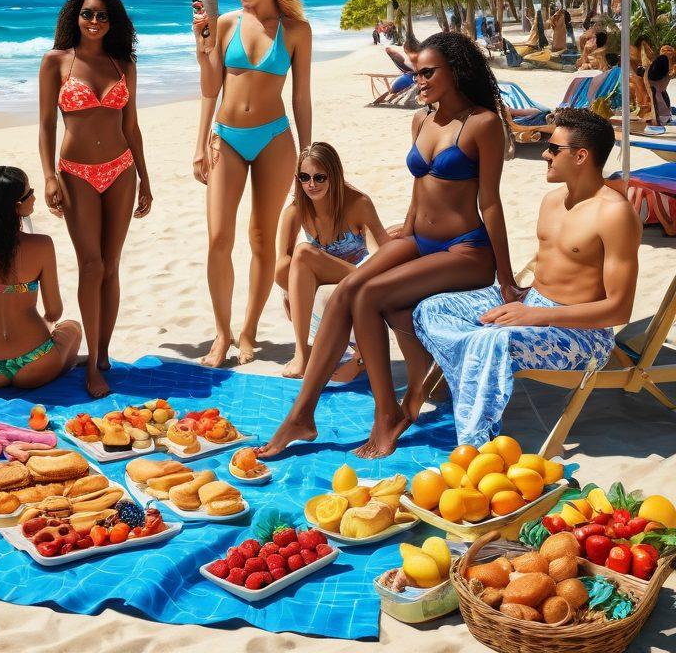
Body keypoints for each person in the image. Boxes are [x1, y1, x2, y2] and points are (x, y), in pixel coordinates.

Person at [258, 32, 517, 459]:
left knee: (369, 296)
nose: (419, 80)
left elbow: (490, 201)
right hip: (419, 239)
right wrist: (407, 229)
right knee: (346, 291)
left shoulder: (482, 124)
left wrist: (505, 279)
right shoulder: (421, 119)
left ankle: (386, 415)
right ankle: (302, 414)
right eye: (415, 73)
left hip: (465, 249)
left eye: (427, 72)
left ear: (456, 70)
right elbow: (419, 186)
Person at [413, 108, 641, 445]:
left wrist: (537, 316)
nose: (545, 154)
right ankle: (471, 377)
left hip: (582, 334)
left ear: (581, 156)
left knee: (492, 341)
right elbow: (553, 267)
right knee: (431, 308)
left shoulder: (614, 214)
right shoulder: (552, 201)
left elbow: (618, 310)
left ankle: (474, 448)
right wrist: (522, 300)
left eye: (553, 148)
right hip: (532, 302)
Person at [192, 0, 313, 367]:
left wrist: (308, 152)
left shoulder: (296, 30)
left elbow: (301, 96)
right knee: (217, 238)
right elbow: (211, 88)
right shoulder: (226, 24)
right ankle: (222, 334)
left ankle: (248, 331)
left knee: (262, 240)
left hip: (275, 140)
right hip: (225, 138)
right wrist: (201, 47)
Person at [38, 0, 151, 397]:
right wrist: (49, 176)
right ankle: (92, 366)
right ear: (75, 17)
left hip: (121, 170)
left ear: (112, 21)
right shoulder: (56, 63)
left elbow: (131, 126)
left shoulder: (123, 64)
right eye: (87, 14)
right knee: (92, 265)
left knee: (112, 264)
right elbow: (47, 125)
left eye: (102, 15)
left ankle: (102, 353)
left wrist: (145, 177)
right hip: (76, 173)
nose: (94, 21)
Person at [0, 167, 81, 401]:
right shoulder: (41, 245)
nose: (33, 196)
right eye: (28, 193)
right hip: (36, 364)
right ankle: (58, 367)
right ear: (16, 206)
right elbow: (54, 311)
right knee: (72, 327)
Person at [275, 143, 391, 378]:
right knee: (296, 262)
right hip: (325, 276)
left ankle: (303, 355)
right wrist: (290, 291)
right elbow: (280, 267)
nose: (311, 185)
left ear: (334, 175)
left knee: (303, 253)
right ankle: (304, 352)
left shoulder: (357, 203)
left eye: (319, 177)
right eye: (305, 177)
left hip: (360, 271)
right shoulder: (296, 211)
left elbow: (383, 250)